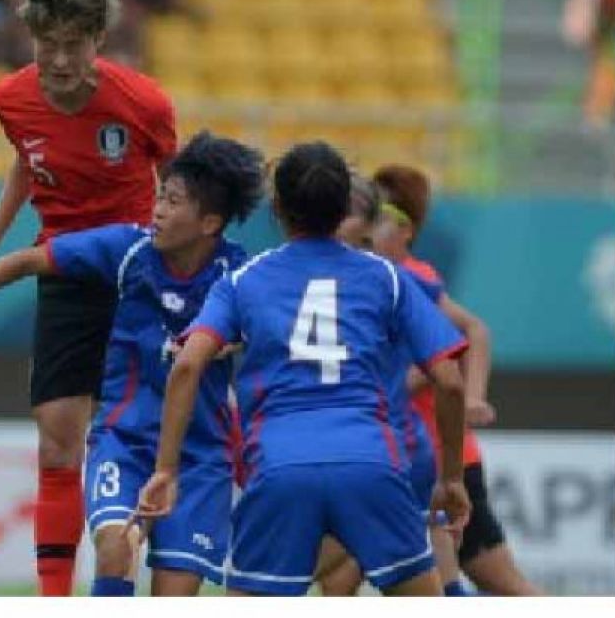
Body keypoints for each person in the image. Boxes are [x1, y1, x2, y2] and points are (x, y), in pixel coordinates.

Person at [0, 131, 261, 596]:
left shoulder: (240, 276)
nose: (158, 209)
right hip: (124, 441)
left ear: (210, 222)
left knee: (174, 594)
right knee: (115, 547)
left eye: (173, 201)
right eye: (160, 196)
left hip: (200, 458)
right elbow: (27, 262)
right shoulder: (129, 250)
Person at [136, 141, 472, 597]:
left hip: (279, 468)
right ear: (344, 210)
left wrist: (166, 470)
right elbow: (450, 381)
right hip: (372, 464)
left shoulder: (243, 280)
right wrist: (451, 478)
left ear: (278, 207)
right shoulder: (386, 277)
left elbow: (187, 366)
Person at [0, 0, 177, 595]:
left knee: (137, 443)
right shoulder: (8, 99)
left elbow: (177, 186)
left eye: (75, 45)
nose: (61, 60)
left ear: (99, 39)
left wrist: (179, 272)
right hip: (63, 270)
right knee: (56, 444)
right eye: (48, 45)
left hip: (133, 274)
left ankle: (139, 577)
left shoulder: (145, 103)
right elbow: (30, 158)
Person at [371, 164, 543, 596]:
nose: (365, 224)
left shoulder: (415, 278)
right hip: (406, 456)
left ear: (405, 229)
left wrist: (471, 396)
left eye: (378, 214)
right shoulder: (375, 278)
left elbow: (472, 332)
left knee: (503, 584)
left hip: (446, 458)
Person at [313, 174, 462, 596]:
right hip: (370, 448)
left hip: (385, 450)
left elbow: (455, 357)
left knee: (293, 565)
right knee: (345, 580)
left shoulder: (398, 281)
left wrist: (405, 383)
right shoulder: (324, 278)